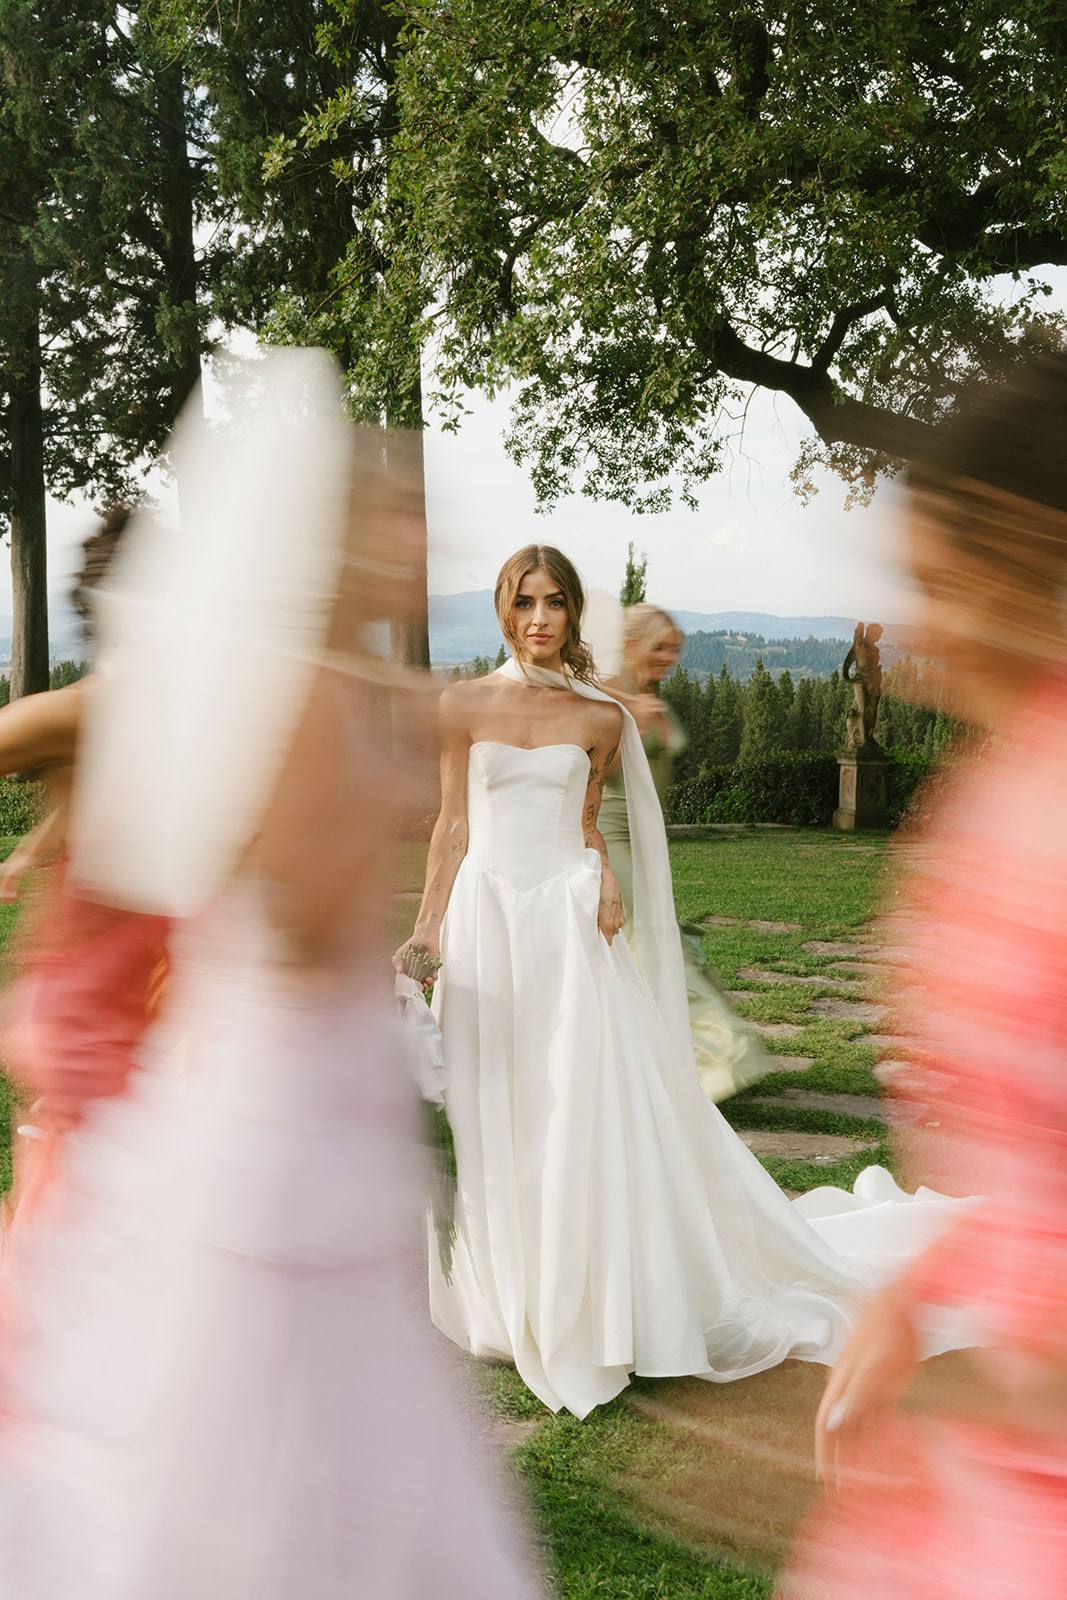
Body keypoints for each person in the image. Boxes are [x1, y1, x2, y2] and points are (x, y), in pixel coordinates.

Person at [0, 352, 542, 1599]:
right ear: (330, 538)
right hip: (280, 1074)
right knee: (251, 1409)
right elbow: (294, 913)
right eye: (395, 515)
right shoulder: (276, 699)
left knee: (361, 1381)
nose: (419, 537)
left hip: (332, 1068)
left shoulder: (349, 687)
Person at [395, 544, 977, 1421]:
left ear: (574, 612)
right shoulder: (463, 702)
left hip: (562, 925)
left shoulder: (599, 716)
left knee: (574, 1106)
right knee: (493, 1106)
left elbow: (589, 823)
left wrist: (606, 877)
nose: (541, 618)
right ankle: (512, 1296)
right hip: (486, 924)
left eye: (556, 602)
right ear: (502, 609)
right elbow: (451, 824)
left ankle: (592, 1304)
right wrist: (426, 926)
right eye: (525, 601)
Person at [779, 353, 1067, 1600]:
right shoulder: (990, 799)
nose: (916, 629)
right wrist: (918, 1295)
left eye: (939, 583)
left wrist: (993, 1378)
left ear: (1028, 554)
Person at [598, 601, 769, 1102]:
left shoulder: (653, 698)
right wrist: (625, 709)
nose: (670, 657)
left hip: (648, 839)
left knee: (661, 938)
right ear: (632, 647)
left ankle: (656, 1056)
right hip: (611, 831)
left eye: (675, 649)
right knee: (647, 940)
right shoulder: (608, 696)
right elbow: (587, 760)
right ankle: (708, 1063)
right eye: (661, 647)